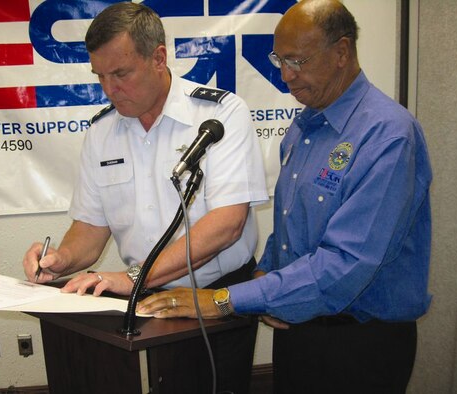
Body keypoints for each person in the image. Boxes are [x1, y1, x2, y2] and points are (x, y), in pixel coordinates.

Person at [138, 0, 433, 393]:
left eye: (297, 61)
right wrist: (265, 276)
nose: (286, 76)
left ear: (342, 52)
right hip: (297, 329)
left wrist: (226, 299)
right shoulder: (304, 127)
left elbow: (346, 263)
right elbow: (290, 229)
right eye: (279, 60)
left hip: (359, 342)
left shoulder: (388, 136)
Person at [22, 3, 268, 393]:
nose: (109, 88)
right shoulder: (102, 132)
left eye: (120, 73)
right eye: (100, 76)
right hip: (144, 297)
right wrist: (60, 260)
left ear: (158, 58)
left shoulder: (219, 115)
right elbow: (90, 227)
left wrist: (133, 278)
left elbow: (227, 224)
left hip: (214, 296)